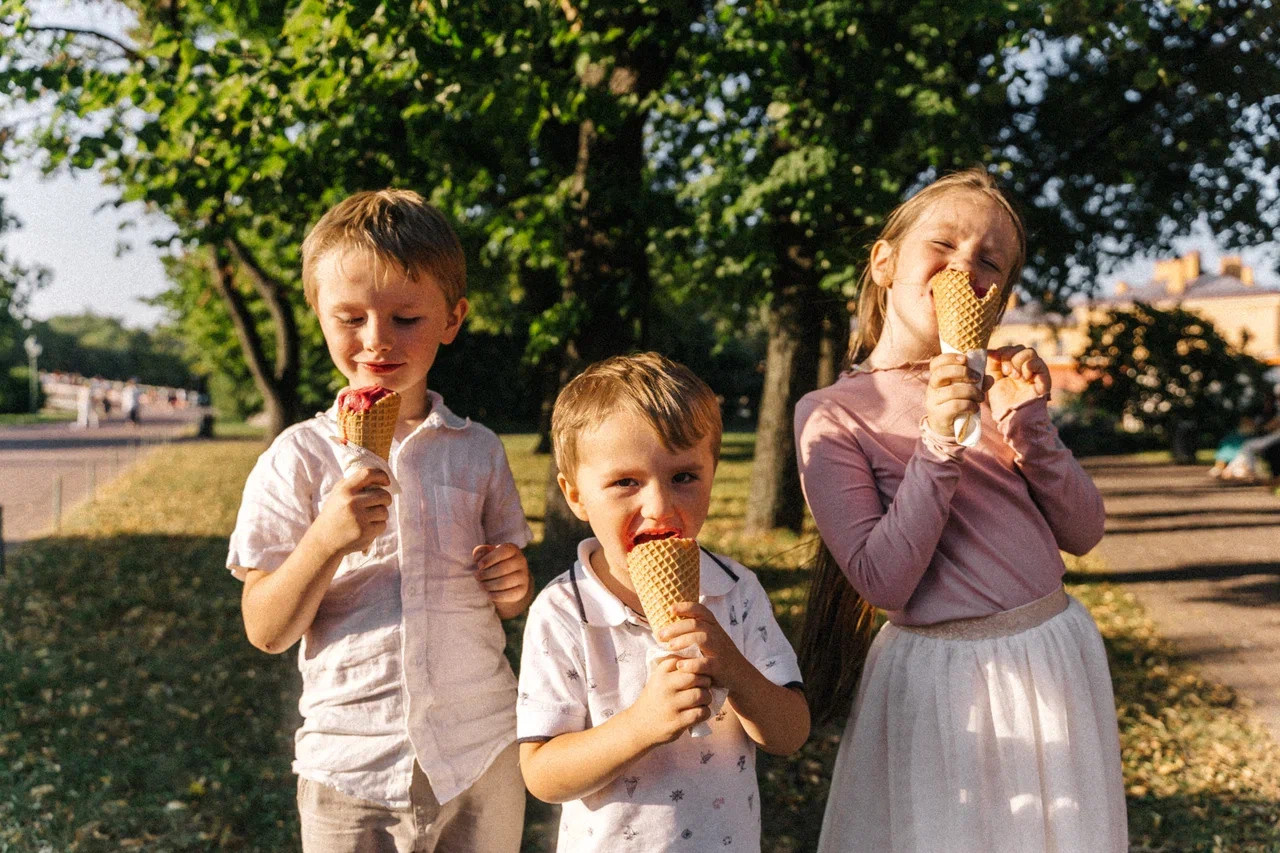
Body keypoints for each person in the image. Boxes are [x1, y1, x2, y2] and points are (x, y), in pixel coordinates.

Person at [793, 167, 1127, 852]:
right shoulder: (830, 416)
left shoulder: (996, 383)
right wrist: (939, 441)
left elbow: (1084, 531)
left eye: (989, 262)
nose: (964, 267)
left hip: (1054, 650)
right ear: (885, 263)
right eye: (942, 244)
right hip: (940, 679)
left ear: (998, 297)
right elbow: (882, 580)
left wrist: (1028, 423)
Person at [226, 189, 533, 852]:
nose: (376, 340)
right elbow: (266, 627)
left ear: (453, 318)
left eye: (405, 317)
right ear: (318, 314)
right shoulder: (299, 458)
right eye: (351, 317)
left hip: (479, 753)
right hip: (350, 767)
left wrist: (512, 583)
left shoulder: (477, 450)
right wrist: (327, 539)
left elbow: (509, 600)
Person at [517, 352, 810, 852]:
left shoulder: (736, 592)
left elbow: (789, 733)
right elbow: (543, 774)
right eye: (626, 482)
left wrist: (734, 670)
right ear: (576, 496)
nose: (658, 505)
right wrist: (640, 726)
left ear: (713, 475)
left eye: (684, 477)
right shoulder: (565, 610)